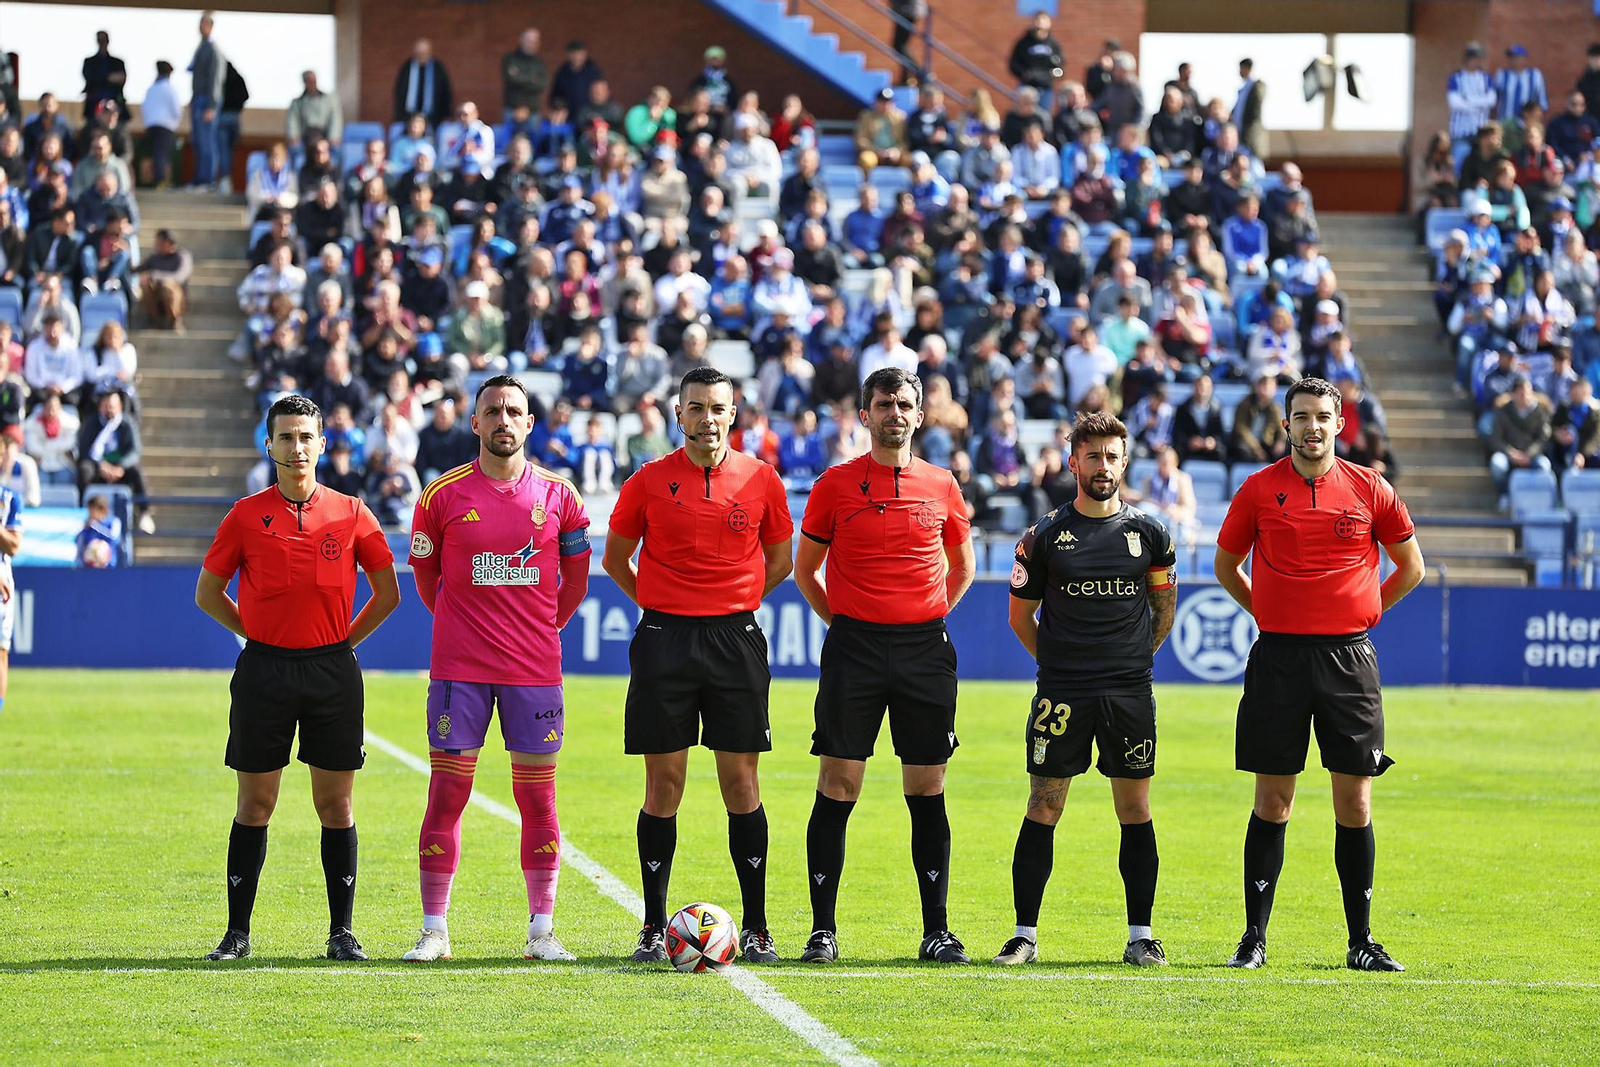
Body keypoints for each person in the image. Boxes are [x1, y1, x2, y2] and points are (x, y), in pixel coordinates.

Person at [1213, 377, 1426, 974]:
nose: (1312, 426)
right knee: (1273, 800)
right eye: (1301, 416)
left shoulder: (1369, 487)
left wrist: (1367, 607)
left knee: (1354, 801)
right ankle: (1253, 938)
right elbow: (1226, 564)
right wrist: (1263, 607)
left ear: (1338, 424)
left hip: (1349, 658)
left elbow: (1412, 566)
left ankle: (1361, 942)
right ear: (1286, 424)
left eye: (1323, 416)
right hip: (1278, 658)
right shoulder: (1258, 489)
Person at [194, 394, 400, 962]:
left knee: (336, 806)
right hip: (264, 670)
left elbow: (389, 594)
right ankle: (237, 934)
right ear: (269, 445)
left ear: (322, 445)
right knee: (255, 804)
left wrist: (342, 645)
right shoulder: (244, 514)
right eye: (285, 437)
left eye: (305, 437)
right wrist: (256, 634)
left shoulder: (353, 512)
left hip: (333, 671)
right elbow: (208, 593)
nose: (296, 447)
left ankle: (342, 933)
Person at [601, 367, 794, 964]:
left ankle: (758, 927)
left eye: (717, 408)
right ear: (677, 415)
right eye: (695, 408)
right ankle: (654, 927)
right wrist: (665, 606)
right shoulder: (649, 481)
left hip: (735, 640)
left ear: (733, 414)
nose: (706, 420)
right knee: (665, 785)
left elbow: (781, 561)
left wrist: (728, 603)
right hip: (664, 640)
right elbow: (615, 559)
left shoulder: (762, 480)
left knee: (742, 783)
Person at [401, 376, 590, 963]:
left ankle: (541, 931)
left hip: (534, 670)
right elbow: (427, 581)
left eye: (514, 411)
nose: (503, 419)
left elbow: (575, 584)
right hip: (459, 670)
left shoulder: (562, 497)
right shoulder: (440, 496)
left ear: (530, 424)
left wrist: (536, 632)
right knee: (448, 794)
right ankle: (435, 929)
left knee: (539, 799)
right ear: (475, 423)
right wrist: (463, 627)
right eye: (492, 411)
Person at [793, 366, 977, 965]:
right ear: (865, 415)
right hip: (855, 649)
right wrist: (847, 625)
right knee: (839, 783)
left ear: (919, 415)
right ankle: (823, 931)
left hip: (925, 649)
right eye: (883, 403)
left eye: (904, 404)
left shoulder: (943, 484)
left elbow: (963, 567)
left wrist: (926, 620)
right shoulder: (835, 485)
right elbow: (805, 571)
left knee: (927, 788)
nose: (894, 413)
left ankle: (937, 931)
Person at [996, 410, 1177, 967]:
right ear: (1073, 461)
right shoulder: (1044, 535)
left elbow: (1163, 608)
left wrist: (1132, 661)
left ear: (1125, 462)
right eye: (1092, 456)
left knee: (1135, 809)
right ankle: (1024, 935)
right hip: (1062, 694)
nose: (1103, 466)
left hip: (1128, 693)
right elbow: (1020, 618)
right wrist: (1061, 664)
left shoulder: (1150, 533)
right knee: (1044, 804)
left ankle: (1141, 936)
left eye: (1113, 456)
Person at [187, 12, 227, 190]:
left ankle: (208, 179)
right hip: (197, 99)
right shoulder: (201, 47)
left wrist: (211, 105)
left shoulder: (213, 50)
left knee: (208, 142)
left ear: (210, 26)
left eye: (203, 24)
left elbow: (215, 79)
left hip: (207, 102)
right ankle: (200, 177)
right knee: (198, 141)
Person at [1448, 44, 1497, 174]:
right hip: (1461, 132)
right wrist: (1480, 103)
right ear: (1468, 59)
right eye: (1475, 58)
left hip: (1481, 131)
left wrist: (1469, 100)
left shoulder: (1486, 78)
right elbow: (1455, 102)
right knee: (1460, 165)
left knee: (1480, 167)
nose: (1478, 62)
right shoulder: (1457, 77)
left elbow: (1491, 100)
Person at [393, 38, 454, 128]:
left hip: (433, 117)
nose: (421, 56)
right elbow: (399, 90)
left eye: (424, 53)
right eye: (419, 53)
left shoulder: (437, 68)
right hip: (408, 116)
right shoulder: (407, 67)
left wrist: (446, 114)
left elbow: (445, 91)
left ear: (430, 52)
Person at [141, 61, 182, 189]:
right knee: (162, 154)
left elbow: (144, 108)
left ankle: (159, 180)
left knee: (157, 152)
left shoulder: (151, 89)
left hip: (151, 125)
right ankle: (160, 181)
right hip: (165, 126)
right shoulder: (170, 89)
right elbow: (177, 110)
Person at [1008, 12, 1064, 100]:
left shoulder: (1054, 45)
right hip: (1026, 87)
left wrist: (1050, 75)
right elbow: (1013, 63)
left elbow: (1060, 69)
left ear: (1049, 23)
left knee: (1044, 113)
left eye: (1043, 20)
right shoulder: (1023, 43)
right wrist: (1024, 74)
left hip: (1046, 88)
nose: (1040, 23)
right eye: (1037, 20)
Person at [286, 71, 342, 150]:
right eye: (309, 81)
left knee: (336, 150)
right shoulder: (297, 103)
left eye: (314, 81)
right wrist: (294, 136)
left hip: (325, 135)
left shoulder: (329, 100)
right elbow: (292, 121)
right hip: (306, 136)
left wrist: (333, 137)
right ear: (304, 82)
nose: (312, 83)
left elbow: (335, 119)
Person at [1492, 45, 1547, 123]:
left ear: (1524, 59)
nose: (1513, 60)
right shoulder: (1501, 75)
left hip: (1527, 124)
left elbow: (1542, 101)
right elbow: (1493, 100)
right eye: (1511, 57)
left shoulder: (1535, 76)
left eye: (1517, 57)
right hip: (1505, 122)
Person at [502, 28, 548, 120]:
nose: (531, 45)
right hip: (512, 110)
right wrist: (532, 79)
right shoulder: (510, 59)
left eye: (535, 42)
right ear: (521, 41)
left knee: (533, 134)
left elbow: (542, 85)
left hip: (533, 111)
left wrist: (521, 77)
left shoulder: (539, 63)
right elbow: (512, 80)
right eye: (529, 41)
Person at [1233, 59, 1267, 162]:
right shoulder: (1244, 88)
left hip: (1250, 139)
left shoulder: (1256, 86)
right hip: (1241, 138)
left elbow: (1254, 113)